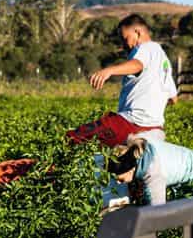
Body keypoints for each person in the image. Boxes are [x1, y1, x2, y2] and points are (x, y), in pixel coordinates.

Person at [67, 14, 178, 148]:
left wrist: (108, 71)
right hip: (154, 127)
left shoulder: (145, 48)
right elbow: (173, 99)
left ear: (137, 32)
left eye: (125, 38)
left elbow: (137, 65)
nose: (124, 44)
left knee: (73, 138)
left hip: (132, 123)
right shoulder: (164, 60)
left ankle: (47, 166)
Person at [105, 137, 193, 207]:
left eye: (120, 179)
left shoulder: (153, 175)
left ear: (130, 169)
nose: (119, 182)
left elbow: (156, 215)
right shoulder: (137, 146)